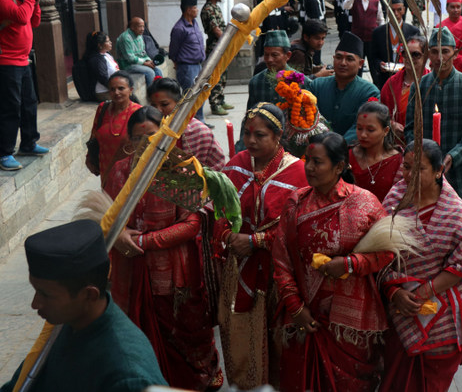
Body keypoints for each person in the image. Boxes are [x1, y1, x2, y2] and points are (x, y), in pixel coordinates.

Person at [105, 106, 222, 390]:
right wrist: (119, 235)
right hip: (132, 268)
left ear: (166, 137)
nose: (146, 145)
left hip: (175, 271)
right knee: (139, 331)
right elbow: (108, 216)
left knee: (186, 331)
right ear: (129, 141)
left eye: (153, 137)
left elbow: (191, 224)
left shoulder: (180, 170)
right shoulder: (120, 172)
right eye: (138, 138)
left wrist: (143, 242)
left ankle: (198, 378)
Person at [272, 131, 394, 392]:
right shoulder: (296, 202)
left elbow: (388, 252)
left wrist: (350, 265)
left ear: (339, 167)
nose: (309, 168)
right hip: (305, 314)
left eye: (317, 162)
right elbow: (281, 259)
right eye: (307, 160)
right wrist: (295, 308)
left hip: (348, 324)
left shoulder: (363, 202)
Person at [0, 219, 167, 392]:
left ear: (89, 295)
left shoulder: (128, 376)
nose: (35, 304)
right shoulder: (66, 324)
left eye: (46, 295)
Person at [214, 103, 307, 389]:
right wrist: (228, 236)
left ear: (278, 136)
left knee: (280, 339)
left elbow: (300, 226)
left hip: (278, 274)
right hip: (238, 267)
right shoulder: (235, 165)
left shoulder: (298, 172)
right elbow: (218, 210)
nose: (251, 140)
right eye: (247, 133)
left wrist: (256, 241)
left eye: (260, 135)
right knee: (239, 333)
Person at [380, 139, 462, 391]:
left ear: (439, 171)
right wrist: (394, 292)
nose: (409, 175)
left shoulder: (455, 212)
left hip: (442, 310)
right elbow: (379, 253)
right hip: (400, 305)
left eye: (419, 169)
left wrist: (421, 293)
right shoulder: (394, 198)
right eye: (406, 167)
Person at [405, 28, 462, 203]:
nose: (440, 58)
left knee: (455, 213)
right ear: (428, 55)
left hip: (458, 167)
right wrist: (419, 154)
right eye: (434, 52)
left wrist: (453, 156)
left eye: (445, 51)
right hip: (424, 168)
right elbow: (410, 128)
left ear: (455, 54)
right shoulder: (419, 87)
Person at [0, 0, 47, 172]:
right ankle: (4, 152)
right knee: (11, 108)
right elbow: (20, 18)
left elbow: (33, 22)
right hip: (6, 62)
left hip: (23, 60)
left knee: (29, 103)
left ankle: (29, 143)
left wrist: (34, 0)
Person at [308, 31, 380, 143]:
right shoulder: (317, 85)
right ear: (333, 58)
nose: (343, 63)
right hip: (316, 146)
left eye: (349, 59)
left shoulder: (369, 92)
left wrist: (336, 147)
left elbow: (360, 127)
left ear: (361, 63)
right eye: (338, 57)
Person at [147, 77, 225, 170]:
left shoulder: (200, 132)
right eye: (153, 106)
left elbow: (218, 166)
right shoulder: (147, 130)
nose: (158, 110)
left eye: (164, 104)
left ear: (179, 103)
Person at [85, 71, 141, 187]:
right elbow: (94, 134)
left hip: (129, 169)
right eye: (112, 89)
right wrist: (89, 158)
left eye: (121, 88)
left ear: (130, 90)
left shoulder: (139, 112)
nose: (116, 93)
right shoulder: (103, 109)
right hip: (106, 167)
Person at [349, 101, 403, 201]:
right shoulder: (348, 156)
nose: (363, 135)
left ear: (386, 131)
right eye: (359, 128)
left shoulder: (399, 161)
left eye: (370, 130)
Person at [381, 34, 430, 140]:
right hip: (396, 142)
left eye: (415, 54)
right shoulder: (392, 83)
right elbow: (380, 113)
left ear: (426, 56)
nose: (409, 58)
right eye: (405, 53)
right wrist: (391, 124)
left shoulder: (432, 82)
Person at [169, 0, 207, 123]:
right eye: (195, 7)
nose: (197, 10)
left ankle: (200, 120)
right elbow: (173, 49)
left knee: (200, 93)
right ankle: (190, 123)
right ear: (188, 10)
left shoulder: (194, 23)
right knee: (190, 96)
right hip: (187, 67)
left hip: (198, 65)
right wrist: (176, 63)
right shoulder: (179, 28)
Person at [372, 0, 421, 89]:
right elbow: (373, 57)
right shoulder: (378, 32)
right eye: (392, 10)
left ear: (404, 10)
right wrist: (379, 65)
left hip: (407, 78)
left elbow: (419, 56)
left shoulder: (413, 31)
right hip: (385, 79)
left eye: (399, 10)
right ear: (387, 11)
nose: (396, 14)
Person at [200, 0, 234, 116]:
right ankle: (215, 104)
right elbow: (216, 30)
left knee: (222, 74)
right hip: (215, 46)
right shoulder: (208, 9)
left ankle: (221, 99)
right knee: (216, 76)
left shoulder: (215, 7)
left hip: (220, 44)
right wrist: (227, 41)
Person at [343, 0, 383, 77]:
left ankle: (376, 84)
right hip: (358, 38)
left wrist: (381, 35)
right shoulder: (354, 0)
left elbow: (380, 19)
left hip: (372, 38)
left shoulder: (375, 1)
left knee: (373, 65)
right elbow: (345, 6)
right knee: (357, 65)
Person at [116, 17, 162, 87]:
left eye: (143, 26)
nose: (143, 29)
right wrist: (145, 63)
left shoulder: (139, 35)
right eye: (140, 26)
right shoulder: (125, 38)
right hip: (128, 65)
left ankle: (160, 90)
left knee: (158, 71)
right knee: (150, 72)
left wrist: (149, 61)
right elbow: (130, 58)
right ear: (132, 27)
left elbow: (143, 52)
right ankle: (151, 92)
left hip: (138, 63)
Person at [84, 31, 120, 102]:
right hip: (104, 92)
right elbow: (103, 78)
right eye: (108, 41)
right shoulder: (96, 60)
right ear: (100, 45)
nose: (110, 43)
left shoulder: (107, 54)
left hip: (113, 88)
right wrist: (117, 89)